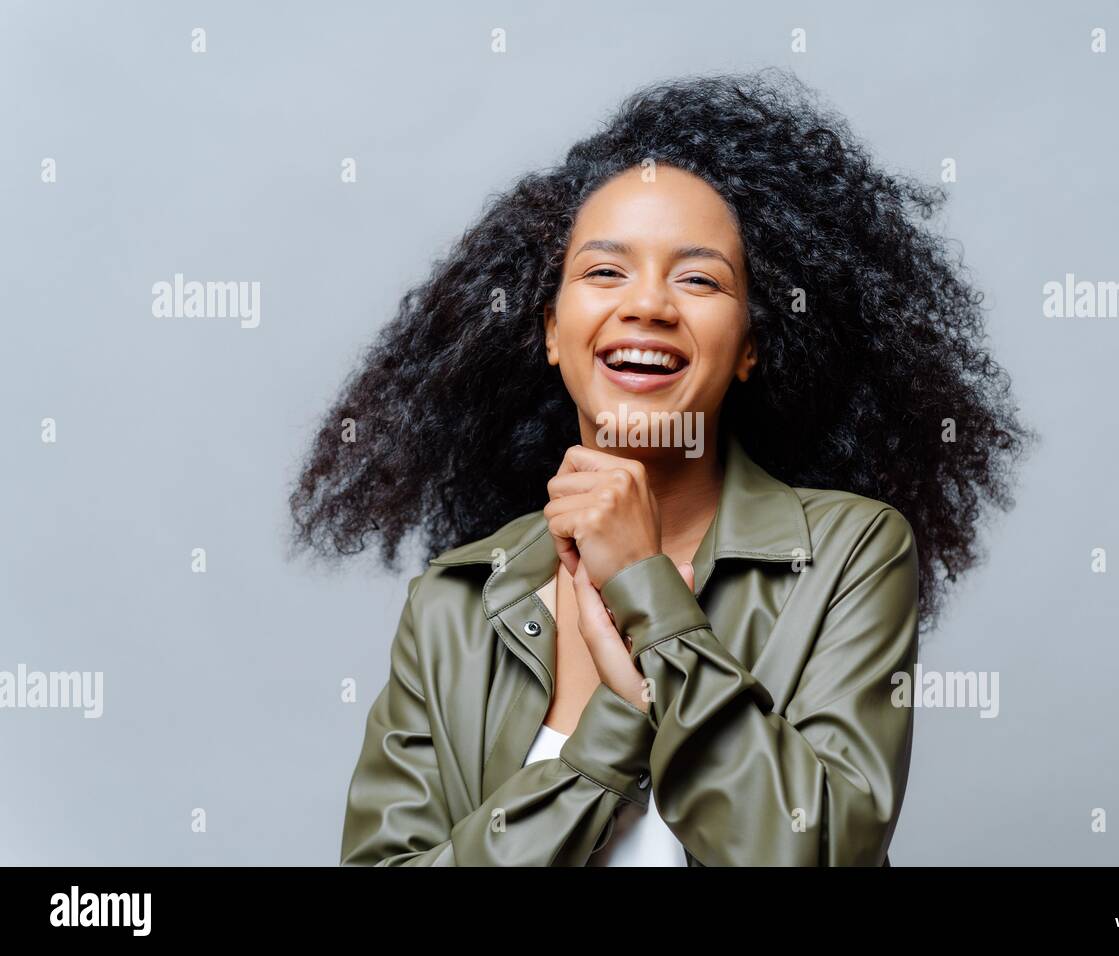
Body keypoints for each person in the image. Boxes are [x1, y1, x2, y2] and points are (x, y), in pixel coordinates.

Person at [289, 68, 1035, 865]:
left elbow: (812, 851)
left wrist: (646, 588)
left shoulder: (847, 556)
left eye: (699, 277)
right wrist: (609, 737)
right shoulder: (455, 606)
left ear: (750, 346)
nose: (647, 304)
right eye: (605, 271)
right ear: (550, 330)